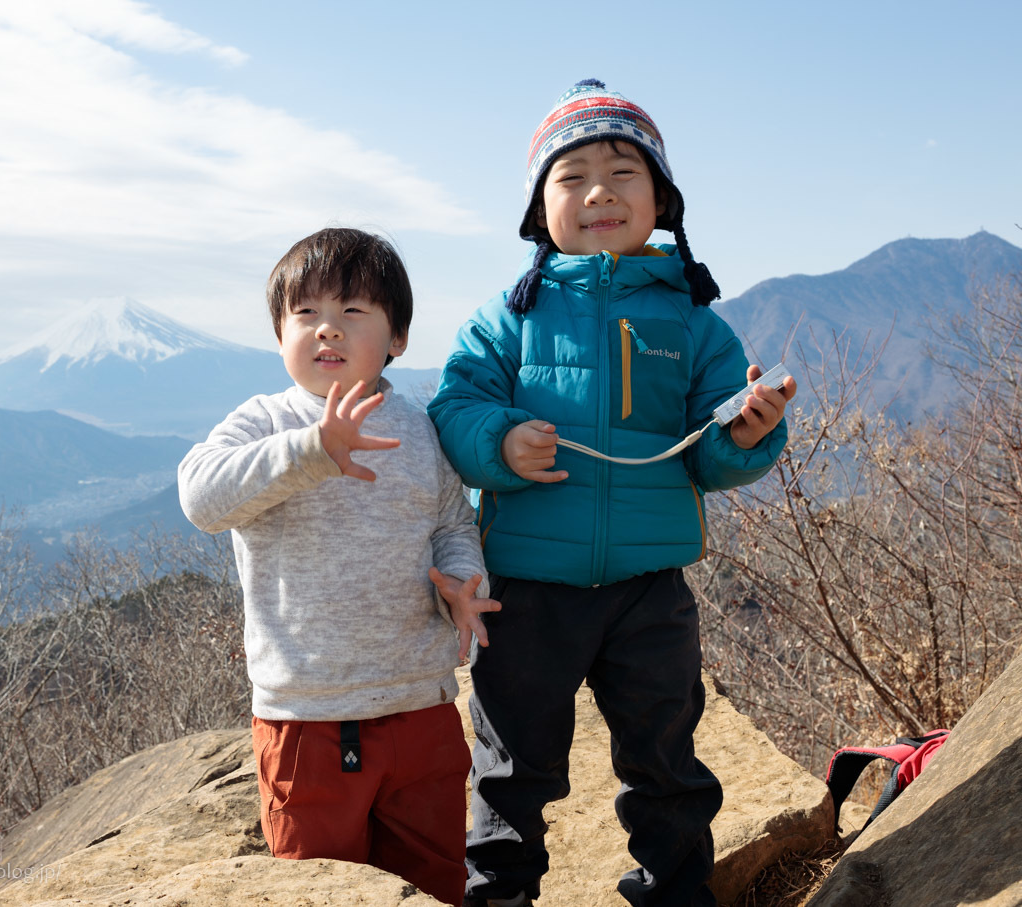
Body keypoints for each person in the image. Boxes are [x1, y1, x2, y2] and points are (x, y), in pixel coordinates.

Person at [427, 80, 796, 907]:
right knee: (512, 767)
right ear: (539, 208)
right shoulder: (510, 315)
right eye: (574, 175)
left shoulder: (694, 320)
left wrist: (746, 432)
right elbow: (455, 405)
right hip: (525, 587)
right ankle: (499, 895)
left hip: (650, 589)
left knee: (666, 759)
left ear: (660, 198)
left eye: (623, 171)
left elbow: (711, 451)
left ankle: (675, 891)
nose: (599, 190)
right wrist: (499, 441)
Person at [178, 227, 500, 906]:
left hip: (422, 709)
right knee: (317, 891)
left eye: (352, 312)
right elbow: (202, 496)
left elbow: (451, 522)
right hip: (307, 719)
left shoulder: (420, 431)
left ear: (397, 337)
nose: (326, 329)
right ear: (279, 334)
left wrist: (463, 583)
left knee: (437, 884)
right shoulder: (266, 422)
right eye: (305, 314)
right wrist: (312, 450)